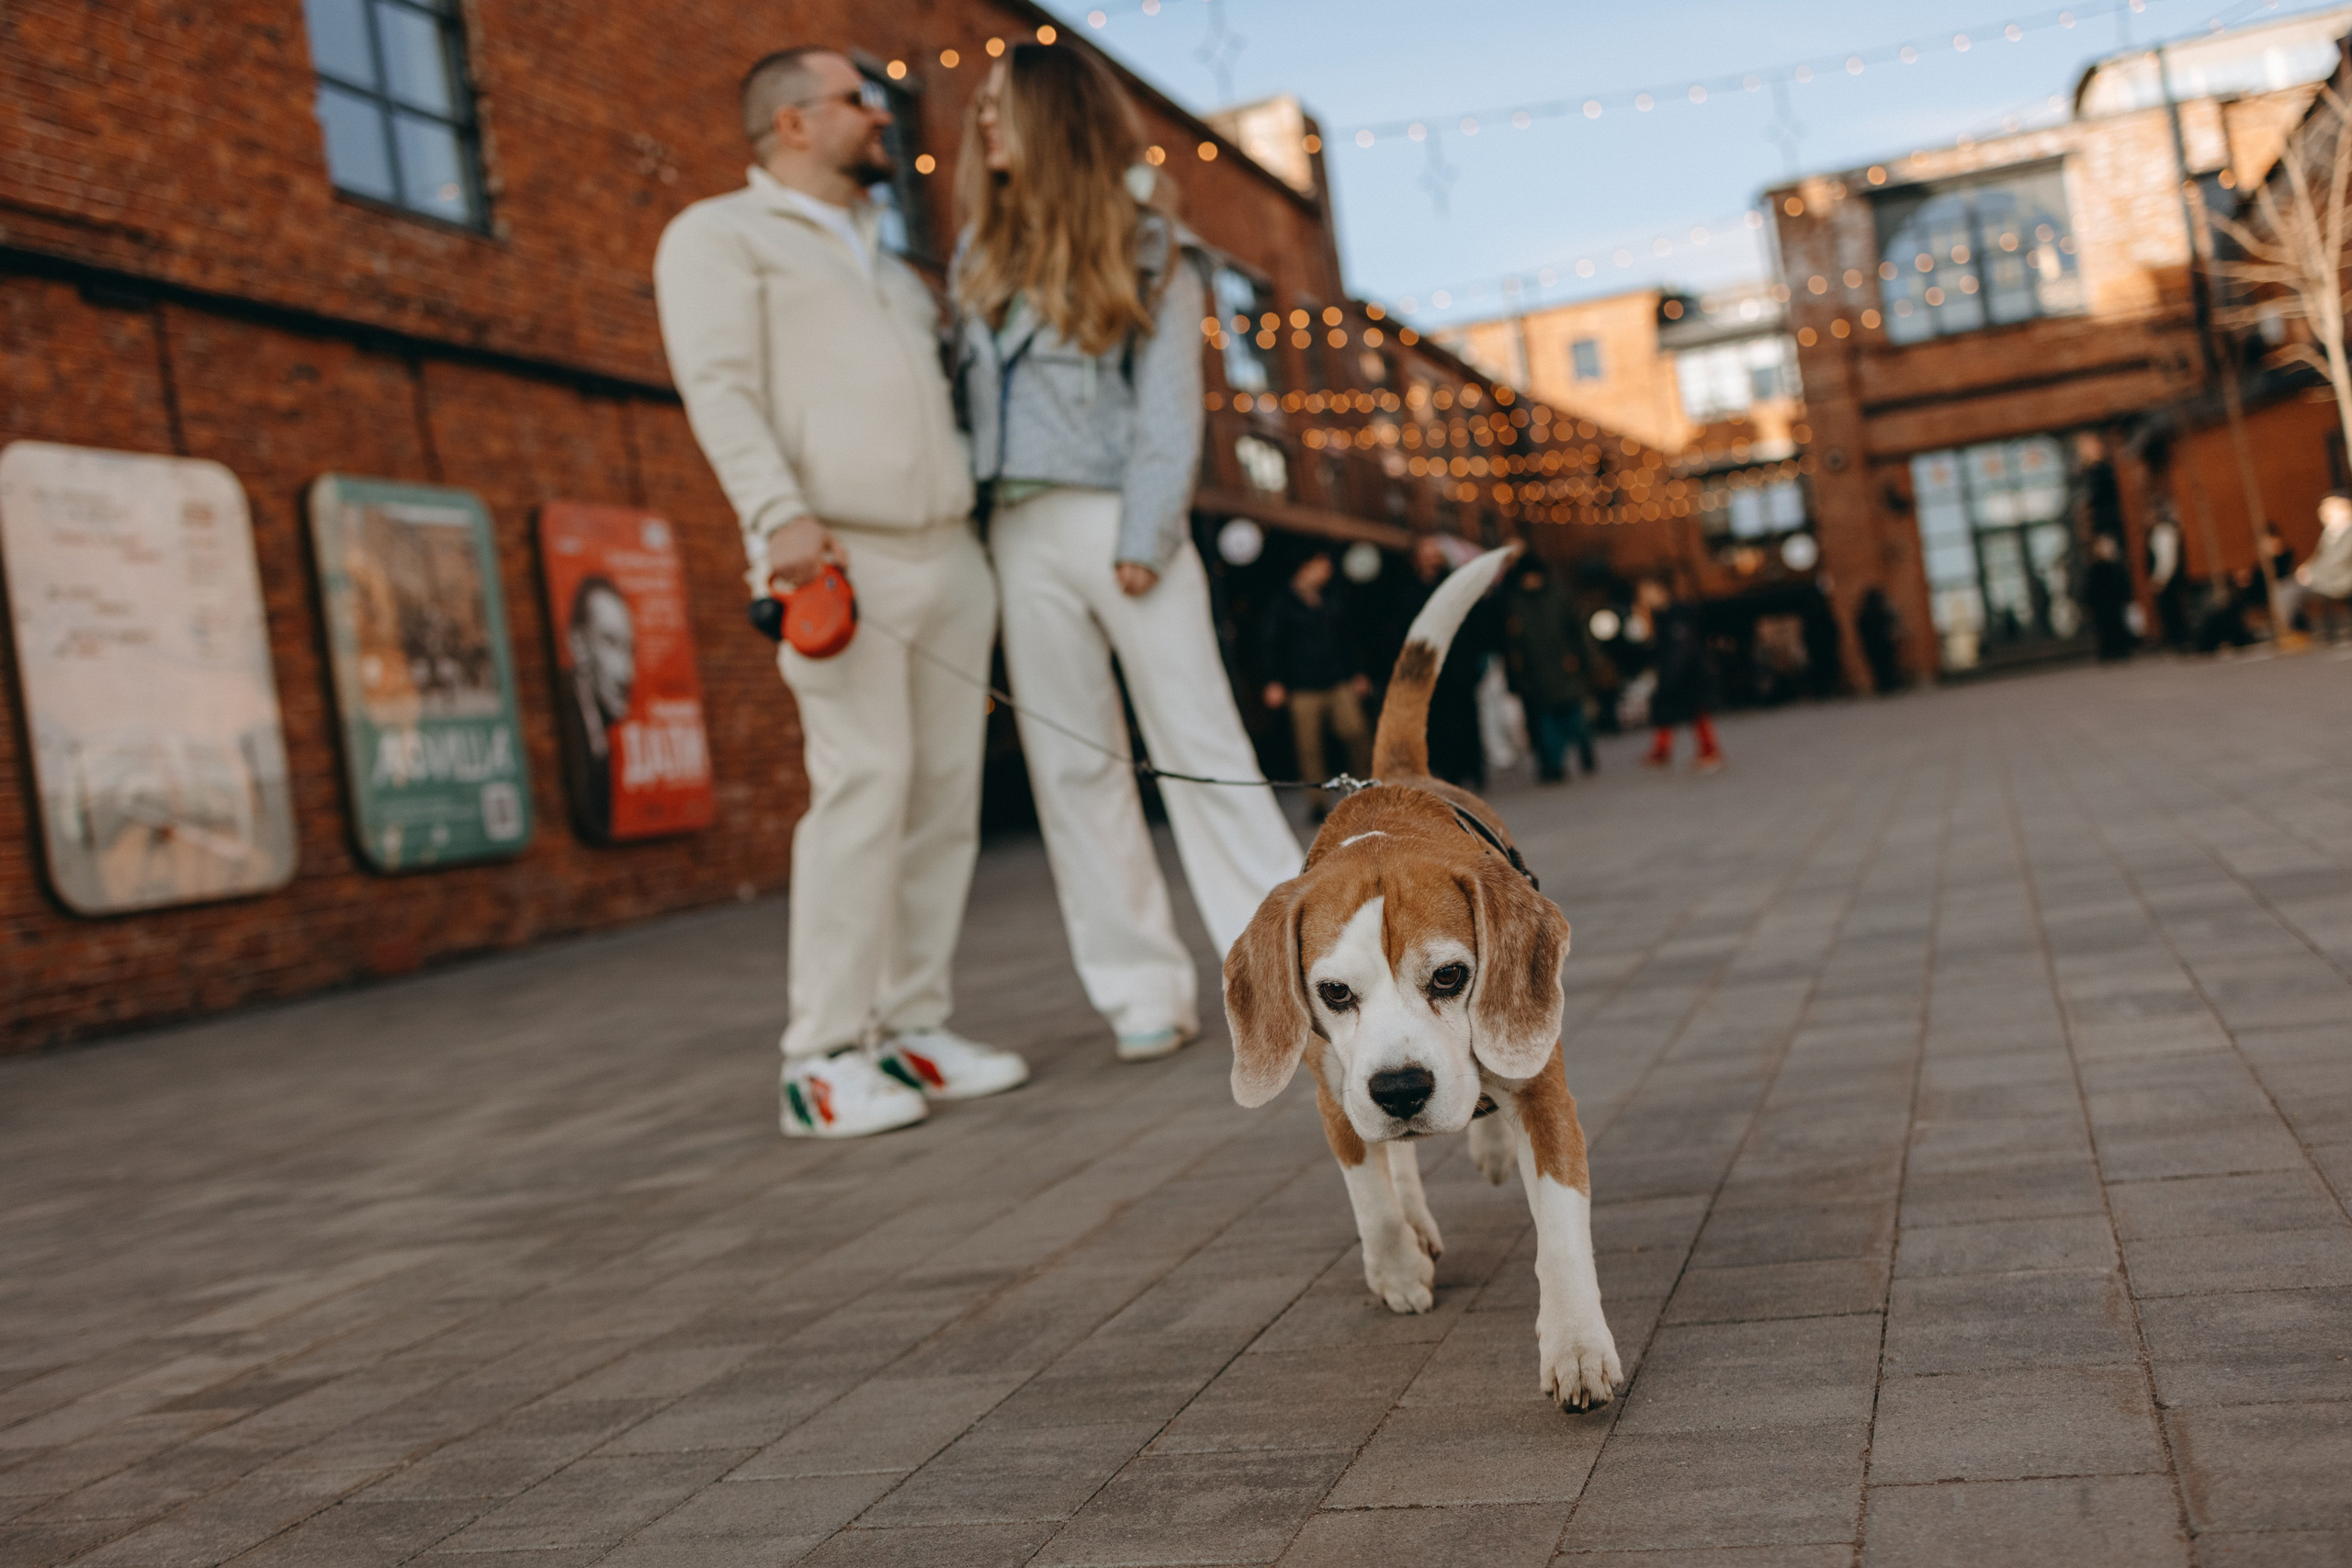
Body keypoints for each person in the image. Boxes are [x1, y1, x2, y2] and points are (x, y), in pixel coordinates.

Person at [655, 44, 1029, 1139]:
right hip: (836, 557)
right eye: (858, 100)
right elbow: (717, 388)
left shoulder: (890, 257)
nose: (880, 115)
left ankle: (911, 1028)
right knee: (864, 787)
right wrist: (776, 514)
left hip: (947, 552)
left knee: (941, 799)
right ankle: (819, 1057)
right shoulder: (717, 237)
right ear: (791, 124)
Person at [954, 43, 1302, 1062]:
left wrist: (1147, 535)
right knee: (1071, 767)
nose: (982, 126)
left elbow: (1166, 410)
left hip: (1121, 520)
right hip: (1017, 531)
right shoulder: (980, 254)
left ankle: (1286, 969)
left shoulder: (1154, 247)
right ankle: (1139, 988)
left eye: (998, 108)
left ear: (1052, 118)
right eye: (975, 110)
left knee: (1200, 746)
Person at [1258, 548, 1373, 809]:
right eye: (1322, 566)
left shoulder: (1331, 597)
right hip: (1302, 685)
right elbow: (1269, 643)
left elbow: (1347, 639)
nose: (1327, 573)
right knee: (1309, 746)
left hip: (1337, 678)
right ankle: (1317, 802)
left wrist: (1357, 672)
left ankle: (1365, 789)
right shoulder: (1283, 602)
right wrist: (1272, 680)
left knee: (1355, 732)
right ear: (1306, 567)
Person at [1385, 535, 1499, 789]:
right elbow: (1400, 631)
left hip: (1459, 663)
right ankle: (1448, 771)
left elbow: (1476, 621)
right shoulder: (1407, 591)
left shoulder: (1454, 584)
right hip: (1428, 668)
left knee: (1467, 716)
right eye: (1425, 554)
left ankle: (1473, 767)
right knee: (1437, 721)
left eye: (1434, 553)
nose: (1430, 559)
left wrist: (1474, 657)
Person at [1500, 554, 1599, 783]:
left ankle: (1585, 750)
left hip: (1564, 665)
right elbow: (1512, 643)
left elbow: (1576, 630)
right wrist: (1517, 674)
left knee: (1576, 717)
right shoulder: (1515, 602)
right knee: (1548, 723)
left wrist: (1582, 659)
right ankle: (1553, 765)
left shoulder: (1558, 595)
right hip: (1537, 672)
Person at [560, 576, 635, 840]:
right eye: (610, 643)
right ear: (578, 644)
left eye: (629, 650)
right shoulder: (567, 720)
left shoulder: (598, 731)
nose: (627, 674)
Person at [1637, 577, 1722, 773]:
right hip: (1679, 672)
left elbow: (1680, 649)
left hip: (1689, 672)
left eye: (1646, 592)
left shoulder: (1676, 615)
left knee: (1696, 711)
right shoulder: (1660, 616)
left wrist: (1669, 675)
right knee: (1665, 709)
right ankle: (1661, 751)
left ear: (1660, 591)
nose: (1643, 598)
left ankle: (1710, 751)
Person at [2297, 491, 2352, 643]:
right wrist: (2306, 569)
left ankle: (2297, 631)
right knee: (2290, 588)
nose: (2323, 511)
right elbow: (2318, 557)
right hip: (2329, 575)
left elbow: (2339, 560)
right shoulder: (2329, 533)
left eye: (2328, 506)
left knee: (2293, 590)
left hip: (2343, 577)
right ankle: (2298, 631)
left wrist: (2313, 574)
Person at [2145, 502, 2193, 649]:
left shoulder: (2162, 533)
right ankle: (2178, 640)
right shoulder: (2159, 533)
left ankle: (2180, 640)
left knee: (2173, 611)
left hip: (2168, 581)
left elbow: (2166, 559)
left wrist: (2160, 580)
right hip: (2168, 580)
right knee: (2171, 611)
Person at [2083, 534, 2136, 662]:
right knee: (2105, 628)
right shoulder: (2096, 568)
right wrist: (2089, 603)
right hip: (2102, 605)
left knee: (2117, 625)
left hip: (2115, 603)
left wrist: (2126, 598)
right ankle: (2109, 651)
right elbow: (2091, 588)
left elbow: (2123, 584)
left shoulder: (2115, 566)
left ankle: (2120, 649)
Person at [1854, 586, 1903, 694]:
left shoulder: (1865, 614)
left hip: (1874, 645)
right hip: (1882, 644)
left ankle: (1886, 685)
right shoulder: (1878, 612)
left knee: (1882, 667)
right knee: (1886, 666)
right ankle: (1888, 685)